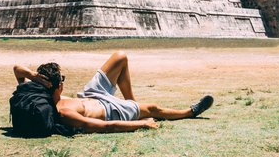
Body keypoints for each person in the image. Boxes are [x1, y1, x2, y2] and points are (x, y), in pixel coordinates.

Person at [13, 51, 213, 133]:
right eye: (62, 79)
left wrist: (32, 75)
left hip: (91, 94)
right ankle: (190, 112)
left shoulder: (52, 97)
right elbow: (103, 126)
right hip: (109, 110)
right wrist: (140, 124)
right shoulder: (62, 112)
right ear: (59, 86)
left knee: (120, 57)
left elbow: (17, 69)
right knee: (153, 108)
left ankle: (133, 103)